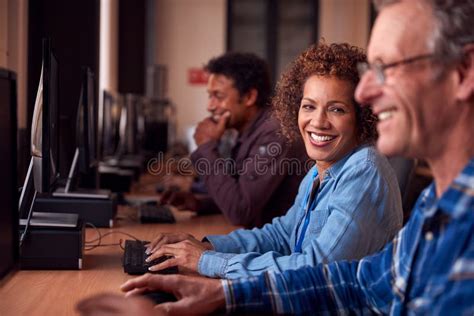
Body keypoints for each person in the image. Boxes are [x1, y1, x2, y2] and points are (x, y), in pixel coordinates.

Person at [76, 0, 474, 315]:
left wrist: (211, 265)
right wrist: (216, 273)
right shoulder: (432, 208)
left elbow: (254, 216)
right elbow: (346, 277)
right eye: (372, 70)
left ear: (464, 71)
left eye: (388, 68)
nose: (367, 92)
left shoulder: (369, 172)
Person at [142, 42, 403, 279]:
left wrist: (207, 261)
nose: (318, 122)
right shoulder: (319, 170)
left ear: (362, 116)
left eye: (337, 109)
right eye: (309, 106)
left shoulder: (363, 171)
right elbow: (281, 235)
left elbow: (314, 270)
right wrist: (206, 246)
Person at [162, 52, 307, 228]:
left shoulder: (275, 133)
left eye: (219, 96)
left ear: (249, 97)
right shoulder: (249, 131)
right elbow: (245, 195)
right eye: (210, 96)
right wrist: (201, 204)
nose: (210, 106)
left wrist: (207, 146)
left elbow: (241, 211)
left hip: (280, 248)